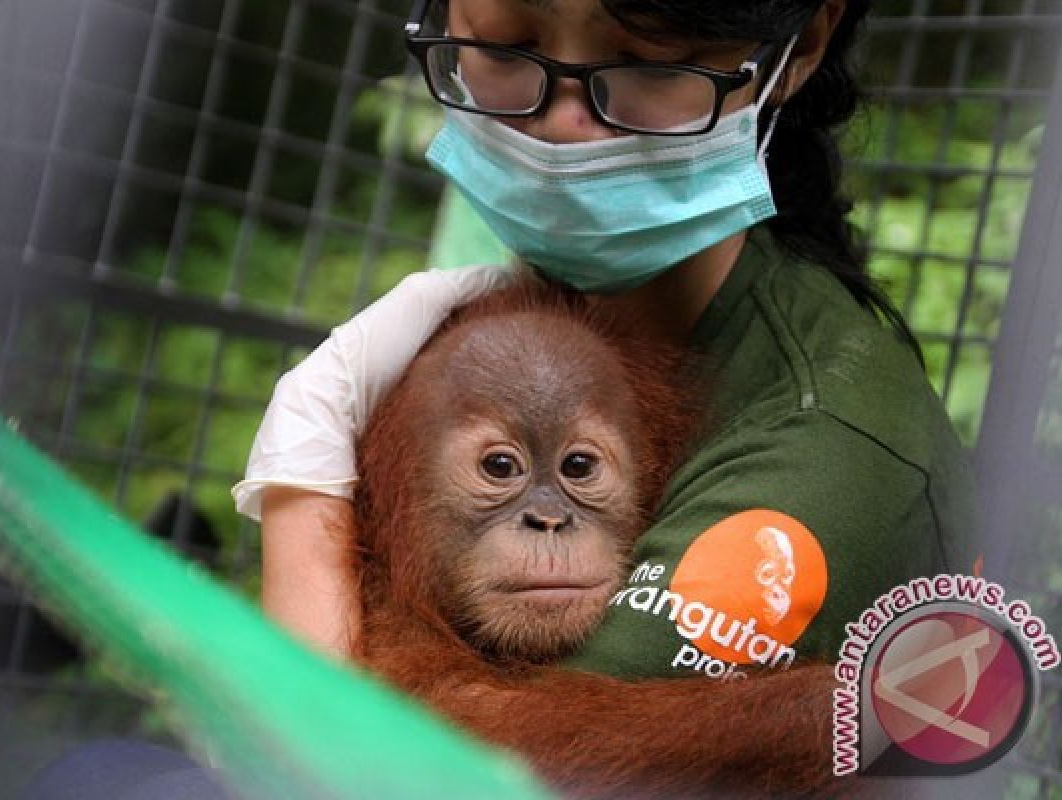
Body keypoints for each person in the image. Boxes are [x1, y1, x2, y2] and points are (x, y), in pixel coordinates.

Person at [233, 0, 974, 684]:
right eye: (504, 47)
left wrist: (304, 495)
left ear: (798, 47)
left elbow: (426, 773)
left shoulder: (822, 458)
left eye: (649, 63)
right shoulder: (512, 325)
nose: (564, 125)